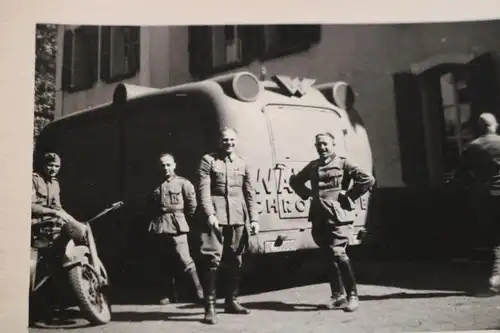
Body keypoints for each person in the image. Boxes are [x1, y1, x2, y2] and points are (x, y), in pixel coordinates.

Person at [290, 132, 375, 312]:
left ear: (333, 144)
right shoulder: (313, 166)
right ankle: (338, 296)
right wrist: (307, 195)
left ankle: (353, 296)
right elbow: (295, 181)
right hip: (319, 216)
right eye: (319, 144)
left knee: (338, 253)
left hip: (339, 217)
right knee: (329, 256)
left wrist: (349, 195)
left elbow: (367, 179)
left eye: (325, 144)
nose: (322, 147)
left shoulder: (343, 163)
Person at [197, 127, 260, 325]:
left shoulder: (243, 163)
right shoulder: (208, 160)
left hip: (238, 217)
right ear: (219, 141)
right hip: (216, 218)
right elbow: (203, 191)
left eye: (232, 140)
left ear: (236, 141)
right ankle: (210, 307)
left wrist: (254, 219)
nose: (229, 143)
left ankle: (232, 301)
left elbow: (249, 193)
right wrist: (210, 214)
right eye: (225, 140)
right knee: (212, 260)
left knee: (235, 259)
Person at [146, 153, 204, 305]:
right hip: (160, 226)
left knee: (185, 259)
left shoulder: (183, 183)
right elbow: (151, 206)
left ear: (174, 165)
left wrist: (183, 220)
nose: (165, 168)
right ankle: (167, 294)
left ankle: (198, 292)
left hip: (177, 225)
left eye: (168, 165)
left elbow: (192, 206)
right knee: (163, 261)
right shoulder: (155, 184)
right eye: (162, 165)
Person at [455, 112, 500, 294]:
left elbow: (461, 175)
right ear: (494, 125)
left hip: (487, 196)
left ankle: (495, 278)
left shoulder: (472, 147)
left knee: (494, 237)